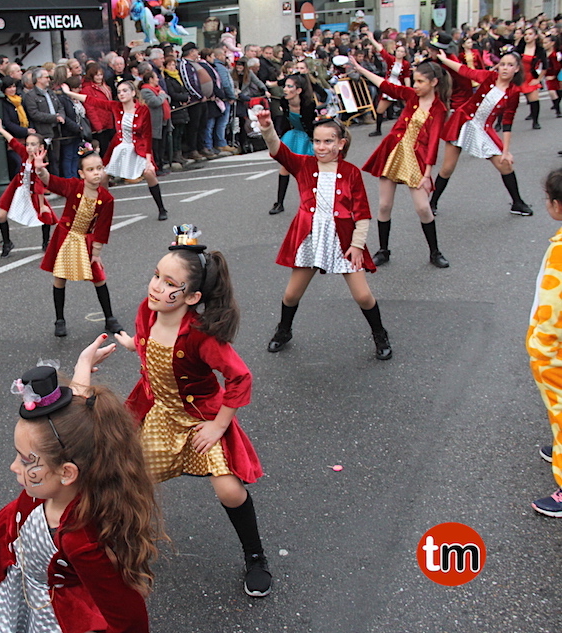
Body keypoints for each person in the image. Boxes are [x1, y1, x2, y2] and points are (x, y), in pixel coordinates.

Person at [0, 340, 160, 632]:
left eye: (24, 460)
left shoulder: (81, 542)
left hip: (47, 609)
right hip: (14, 578)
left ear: (67, 472)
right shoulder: (65, 462)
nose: (13, 467)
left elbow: (128, 617)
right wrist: (83, 365)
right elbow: (77, 416)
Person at [112, 229, 272, 597]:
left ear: (192, 297)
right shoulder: (147, 310)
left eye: (170, 283)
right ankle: (128, 548)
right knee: (129, 481)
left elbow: (240, 377)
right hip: (160, 415)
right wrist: (133, 343)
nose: (156, 287)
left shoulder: (201, 336)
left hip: (201, 420)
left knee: (229, 489)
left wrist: (218, 426)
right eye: (156, 275)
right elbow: (148, 342)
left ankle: (255, 556)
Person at [258, 111, 391, 359]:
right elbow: (279, 151)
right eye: (317, 141)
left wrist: (357, 245)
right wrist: (267, 128)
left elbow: (362, 213)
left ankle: (380, 333)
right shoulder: (303, 165)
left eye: (328, 141)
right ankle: (284, 330)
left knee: (363, 295)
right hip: (311, 238)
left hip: (344, 240)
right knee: (291, 294)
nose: (321, 147)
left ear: (341, 143)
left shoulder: (351, 172)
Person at [349, 57, 451, 269]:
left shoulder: (439, 108)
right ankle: (383, 251)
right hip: (393, 152)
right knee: (384, 205)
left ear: (434, 82)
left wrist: (427, 175)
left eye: (420, 81)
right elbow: (387, 86)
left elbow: (433, 143)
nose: (415, 85)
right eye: (414, 81)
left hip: (417, 159)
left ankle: (435, 252)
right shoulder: (411, 95)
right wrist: (359, 68)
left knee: (423, 208)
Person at [34, 145, 124, 337]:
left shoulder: (106, 198)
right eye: (90, 170)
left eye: (99, 168)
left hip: (87, 240)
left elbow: (102, 227)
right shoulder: (74, 186)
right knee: (60, 277)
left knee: (98, 276)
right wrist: (41, 170)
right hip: (66, 237)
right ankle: (59, 319)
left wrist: (96, 253)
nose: (96, 173)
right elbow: (53, 183)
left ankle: (109, 318)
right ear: (82, 174)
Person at [430, 51, 531, 216]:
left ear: (517, 69)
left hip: (483, 129)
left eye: (510, 65)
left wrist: (506, 151)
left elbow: (508, 122)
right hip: (462, 123)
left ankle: (517, 203)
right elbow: (465, 71)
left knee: (505, 164)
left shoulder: (513, 92)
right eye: (503, 64)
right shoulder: (489, 77)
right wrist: (443, 59)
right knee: (447, 168)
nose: (505, 68)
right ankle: (432, 203)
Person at [63, 80, 168, 221]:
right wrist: (69, 93)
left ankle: (161, 208)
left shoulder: (143, 109)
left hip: (138, 148)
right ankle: (103, 210)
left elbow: (147, 135)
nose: (121, 94)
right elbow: (92, 101)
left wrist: (149, 160)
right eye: (119, 92)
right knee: (103, 176)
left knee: (149, 173)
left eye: (125, 91)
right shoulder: (116, 106)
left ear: (133, 93)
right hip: (120, 147)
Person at [527, 168, 562, 518]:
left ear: (556, 205)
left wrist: (540, 347)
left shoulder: (560, 251)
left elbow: (551, 307)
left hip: (556, 353)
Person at [0, 118, 53, 258]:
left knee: (45, 215)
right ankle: (7, 243)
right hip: (17, 188)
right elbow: (13, 141)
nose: (29, 147)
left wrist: (42, 205)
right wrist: (0, 129)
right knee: (1, 215)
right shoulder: (25, 154)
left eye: (33, 144)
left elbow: (39, 186)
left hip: (33, 192)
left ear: (41, 148)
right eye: (27, 144)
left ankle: (46, 242)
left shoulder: (40, 164)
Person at [267, 73, 316, 216]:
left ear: (298, 90)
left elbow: (313, 126)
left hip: (309, 137)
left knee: (308, 170)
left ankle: (313, 201)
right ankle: (279, 203)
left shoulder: (309, 105)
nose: (285, 89)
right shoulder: (284, 102)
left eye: (289, 86)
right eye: (285, 86)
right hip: (294, 135)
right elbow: (285, 120)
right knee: (285, 167)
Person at [364, 32, 411, 137]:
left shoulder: (406, 64)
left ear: (404, 54)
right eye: (398, 51)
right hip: (389, 86)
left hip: (400, 87)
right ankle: (378, 130)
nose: (399, 53)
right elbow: (381, 50)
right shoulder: (391, 59)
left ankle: (411, 128)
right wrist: (372, 39)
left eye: (401, 52)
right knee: (380, 109)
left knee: (408, 107)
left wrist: (408, 89)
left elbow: (406, 77)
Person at [517, 26, 547, 129]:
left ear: (535, 36)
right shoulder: (520, 48)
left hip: (531, 76)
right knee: (507, 100)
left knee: (534, 99)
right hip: (518, 76)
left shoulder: (539, 50)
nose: (527, 37)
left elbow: (545, 66)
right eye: (525, 34)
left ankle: (535, 121)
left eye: (530, 34)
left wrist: (538, 79)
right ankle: (499, 123)